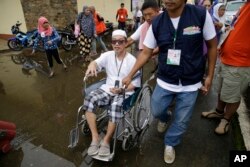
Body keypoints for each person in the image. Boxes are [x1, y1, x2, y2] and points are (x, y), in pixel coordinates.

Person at [122, 0, 217, 164]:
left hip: (191, 81)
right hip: (166, 79)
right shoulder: (157, 22)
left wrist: (209, 76)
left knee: (182, 120)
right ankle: (165, 118)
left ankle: (170, 143)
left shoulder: (200, 15)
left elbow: (212, 46)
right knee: (157, 110)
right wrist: (130, 74)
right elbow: (146, 52)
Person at [83, 30, 140, 157]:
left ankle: (107, 140)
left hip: (125, 92)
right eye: (114, 41)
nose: (117, 44)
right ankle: (95, 137)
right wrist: (91, 65)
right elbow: (96, 62)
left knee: (115, 106)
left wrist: (122, 90)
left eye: (120, 41)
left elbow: (135, 84)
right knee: (89, 98)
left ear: (126, 43)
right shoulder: (108, 55)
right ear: (111, 43)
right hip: (108, 89)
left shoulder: (132, 60)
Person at [201, 2, 250, 135]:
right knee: (221, 89)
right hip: (226, 58)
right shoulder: (245, 5)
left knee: (232, 95)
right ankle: (218, 111)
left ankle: (226, 119)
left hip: (240, 62)